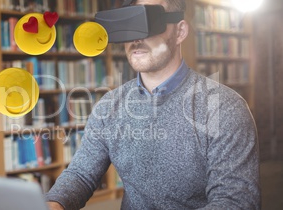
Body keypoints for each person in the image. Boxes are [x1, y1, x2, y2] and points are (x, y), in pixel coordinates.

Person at [46, 0, 260, 209]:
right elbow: (81, 174)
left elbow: (235, 201)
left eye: (148, 21)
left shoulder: (224, 108)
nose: (137, 37)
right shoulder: (109, 106)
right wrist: (54, 204)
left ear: (180, 31)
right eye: (130, 24)